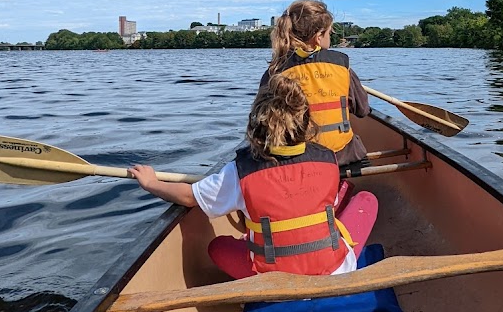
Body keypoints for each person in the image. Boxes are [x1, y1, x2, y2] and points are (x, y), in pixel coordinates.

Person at [129, 73, 378, 279]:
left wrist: (152, 183)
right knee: (367, 199)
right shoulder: (327, 159)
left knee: (217, 247)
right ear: (306, 121)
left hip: (272, 281)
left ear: (257, 123)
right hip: (334, 271)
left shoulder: (240, 172)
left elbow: (188, 196)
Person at [260, 0, 370, 167]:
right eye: (329, 33)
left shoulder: (274, 72)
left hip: (297, 159)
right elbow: (363, 110)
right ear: (318, 37)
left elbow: (262, 124)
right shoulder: (341, 65)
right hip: (341, 156)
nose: (330, 38)